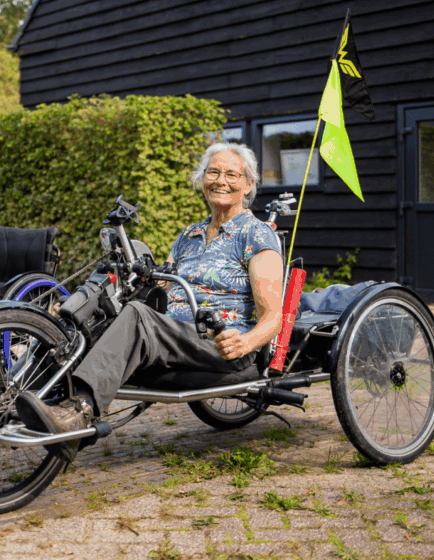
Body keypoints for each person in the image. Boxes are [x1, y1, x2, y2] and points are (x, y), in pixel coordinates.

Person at [16, 142, 285, 461]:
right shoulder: (189, 235)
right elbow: (160, 286)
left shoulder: (256, 234)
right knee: (92, 320)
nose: (220, 181)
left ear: (248, 185)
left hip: (220, 343)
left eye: (231, 174)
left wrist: (246, 342)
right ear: (202, 179)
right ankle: (17, 397)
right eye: (213, 172)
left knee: (138, 316)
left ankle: (79, 413)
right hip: (175, 336)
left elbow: (274, 315)